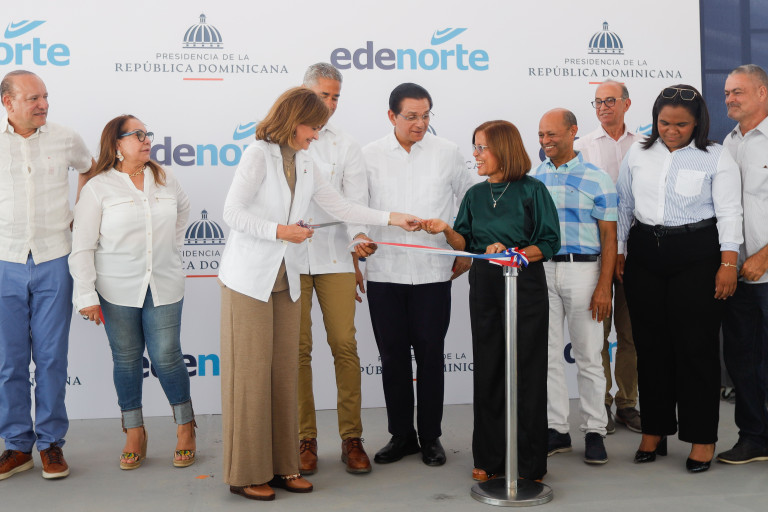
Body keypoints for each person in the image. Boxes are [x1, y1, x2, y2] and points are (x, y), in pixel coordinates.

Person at [218, 87, 418, 501]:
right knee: (252, 378)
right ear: (294, 122)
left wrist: (392, 218)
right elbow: (232, 213)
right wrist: (280, 231)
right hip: (250, 281)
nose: (317, 135)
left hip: (286, 280)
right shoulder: (258, 155)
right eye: (313, 128)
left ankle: (282, 467)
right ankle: (246, 473)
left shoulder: (306, 161)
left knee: (283, 375)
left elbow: (341, 207)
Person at [422, 120, 560, 481]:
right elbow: (465, 243)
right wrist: (446, 230)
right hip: (485, 286)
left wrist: (513, 253)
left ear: (504, 149)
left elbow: (549, 242)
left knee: (528, 370)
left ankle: (529, 462)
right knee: (488, 368)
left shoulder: (533, 190)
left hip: (524, 286)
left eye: (482, 147)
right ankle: (489, 456)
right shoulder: (475, 195)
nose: (476, 155)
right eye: (475, 147)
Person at [616, 84, 742, 473]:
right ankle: (654, 430)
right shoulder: (638, 152)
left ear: (697, 123)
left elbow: (729, 211)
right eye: (664, 123)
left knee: (696, 349)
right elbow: (624, 204)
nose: (671, 131)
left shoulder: (716, 156)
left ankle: (701, 437)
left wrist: (728, 263)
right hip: (644, 253)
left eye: (681, 125)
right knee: (651, 347)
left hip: (697, 254)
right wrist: (619, 251)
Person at [69, 114, 196, 471]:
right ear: (116, 144)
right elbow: (82, 246)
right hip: (116, 289)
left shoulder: (166, 178)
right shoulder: (98, 187)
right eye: (137, 134)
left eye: (147, 133)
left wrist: (169, 252)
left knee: (167, 356)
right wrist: (86, 295)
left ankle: (186, 427)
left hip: (165, 284)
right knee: (126, 360)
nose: (146, 139)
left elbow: (182, 213)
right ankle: (134, 432)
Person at [362, 82, 474, 467]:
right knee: (392, 358)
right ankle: (401, 436)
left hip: (433, 273)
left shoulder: (448, 152)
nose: (420, 124)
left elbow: (469, 201)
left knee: (430, 357)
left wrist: (463, 246)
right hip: (385, 272)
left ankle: (430, 436)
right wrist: (358, 241)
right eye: (411, 116)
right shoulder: (369, 156)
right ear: (391, 116)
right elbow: (356, 209)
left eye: (426, 116)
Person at [0, 70, 94, 481]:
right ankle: (17, 446)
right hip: (4, 260)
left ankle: (51, 444)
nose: (43, 105)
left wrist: (80, 215)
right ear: (8, 102)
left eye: (45, 96)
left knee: (52, 358)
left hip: (56, 258)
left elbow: (90, 169)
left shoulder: (66, 138)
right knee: (9, 361)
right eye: (33, 98)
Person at [296, 63, 372, 476]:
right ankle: (304, 438)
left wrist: (359, 244)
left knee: (344, 344)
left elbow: (354, 205)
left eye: (336, 96)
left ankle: (352, 438)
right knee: (298, 350)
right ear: (304, 92)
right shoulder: (280, 138)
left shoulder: (347, 145)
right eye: (324, 94)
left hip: (336, 257)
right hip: (291, 258)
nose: (330, 103)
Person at [531, 108, 616, 465]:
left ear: (572, 132)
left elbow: (610, 238)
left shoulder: (598, 178)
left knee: (590, 355)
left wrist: (604, 286)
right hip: (543, 271)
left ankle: (595, 430)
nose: (546, 141)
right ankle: (557, 429)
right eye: (541, 135)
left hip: (585, 272)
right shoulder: (534, 178)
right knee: (548, 355)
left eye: (552, 134)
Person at [575, 80, 642, 434]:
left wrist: (624, 251)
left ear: (626, 104)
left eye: (610, 100)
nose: (603, 107)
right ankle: (599, 402)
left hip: (635, 254)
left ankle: (627, 403)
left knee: (630, 333)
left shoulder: (644, 145)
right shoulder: (581, 147)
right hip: (595, 253)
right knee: (596, 333)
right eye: (598, 101)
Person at [718, 64, 768, 465]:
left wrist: (764, 257)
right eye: (727, 93)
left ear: (762, 93)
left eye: (738, 92)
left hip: (765, 269)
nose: (730, 99)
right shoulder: (728, 143)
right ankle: (754, 438)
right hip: (739, 275)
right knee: (742, 359)